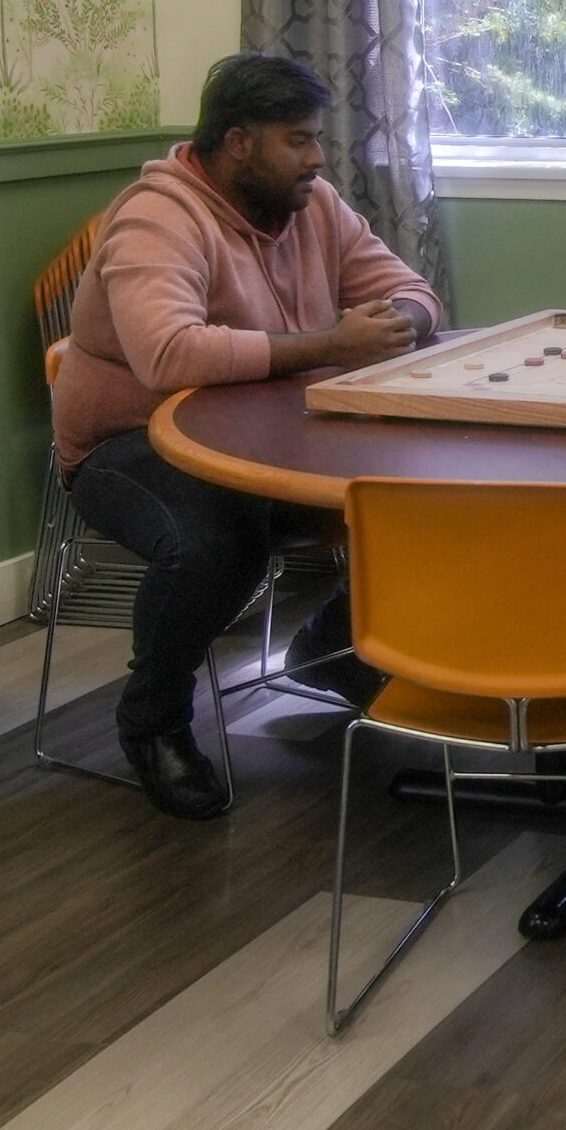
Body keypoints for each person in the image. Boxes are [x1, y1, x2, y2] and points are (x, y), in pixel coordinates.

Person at [53, 53, 440, 820]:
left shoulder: (314, 204)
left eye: (316, 138)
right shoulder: (155, 216)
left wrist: (400, 322)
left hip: (270, 439)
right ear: (238, 142)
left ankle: (333, 647)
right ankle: (153, 721)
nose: (318, 157)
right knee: (217, 541)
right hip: (130, 444)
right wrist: (332, 342)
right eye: (297, 140)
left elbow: (411, 289)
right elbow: (167, 355)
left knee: (429, 488)